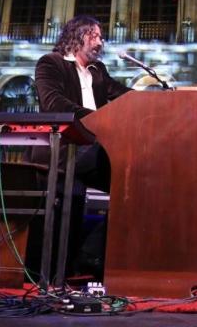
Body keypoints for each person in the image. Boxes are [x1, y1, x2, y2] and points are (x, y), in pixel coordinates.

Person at [31, 15, 132, 276]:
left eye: (101, 37)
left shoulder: (99, 72)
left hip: (92, 149)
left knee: (138, 183)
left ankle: (91, 252)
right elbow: (54, 105)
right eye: (94, 35)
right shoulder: (51, 64)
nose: (100, 42)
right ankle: (89, 255)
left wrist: (161, 100)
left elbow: (127, 98)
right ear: (77, 36)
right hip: (64, 148)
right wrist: (101, 120)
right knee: (131, 174)